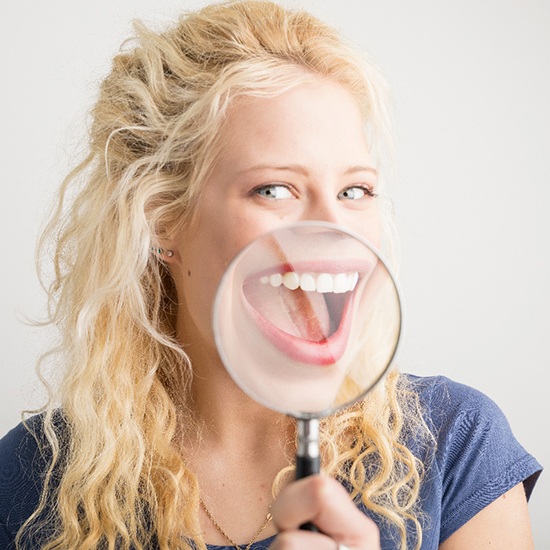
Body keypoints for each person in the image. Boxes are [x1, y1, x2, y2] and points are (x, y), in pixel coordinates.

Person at [0, 1, 542, 549]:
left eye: (355, 191)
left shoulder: (455, 445)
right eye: (274, 189)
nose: (335, 232)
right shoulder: (27, 481)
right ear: (161, 217)